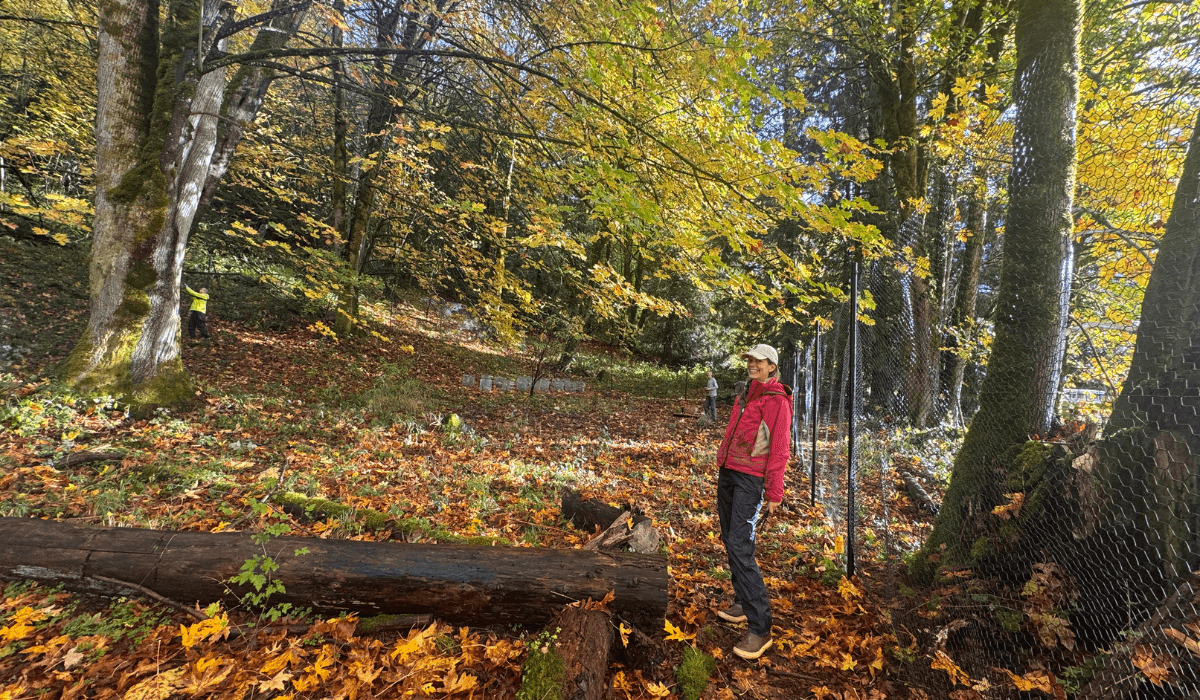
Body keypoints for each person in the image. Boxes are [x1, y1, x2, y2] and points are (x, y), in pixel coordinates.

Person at [714, 343, 792, 660]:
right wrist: (722, 459)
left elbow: (780, 449)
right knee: (730, 539)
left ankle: (760, 628)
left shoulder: (777, 400)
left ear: (771, 366)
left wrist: (774, 493)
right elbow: (735, 429)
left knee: (740, 544)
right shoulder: (747, 392)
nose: (752, 364)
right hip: (729, 472)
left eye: (759, 361)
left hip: (750, 479)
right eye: (750, 360)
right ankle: (742, 602)